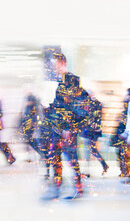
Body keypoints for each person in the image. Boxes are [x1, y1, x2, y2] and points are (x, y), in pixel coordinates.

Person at [39, 52, 91, 200]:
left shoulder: (71, 80)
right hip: (57, 127)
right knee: (55, 157)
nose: (52, 67)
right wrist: (49, 109)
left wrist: (69, 127)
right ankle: (57, 188)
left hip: (66, 129)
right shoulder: (61, 82)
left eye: (54, 63)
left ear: (61, 63)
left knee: (71, 158)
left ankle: (78, 189)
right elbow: (61, 105)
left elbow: (73, 105)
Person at [81, 91, 109, 176]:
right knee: (91, 149)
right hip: (93, 130)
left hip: (89, 130)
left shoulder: (90, 104)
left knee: (88, 150)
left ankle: (87, 171)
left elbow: (89, 117)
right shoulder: (97, 103)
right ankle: (103, 164)